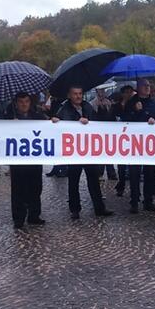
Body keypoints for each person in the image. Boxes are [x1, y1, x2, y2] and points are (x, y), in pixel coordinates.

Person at [52, 86, 114, 220]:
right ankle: (75, 209)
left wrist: (89, 120)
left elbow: (96, 123)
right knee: (73, 181)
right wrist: (57, 120)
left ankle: (99, 208)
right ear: (69, 95)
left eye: (80, 93)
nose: (78, 96)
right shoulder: (64, 108)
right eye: (75, 94)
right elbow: (58, 122)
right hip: (74, 151)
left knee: (94, 180)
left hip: (88, 150)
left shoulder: (87, 106)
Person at [2, 92, 49, 229]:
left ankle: (34, 215)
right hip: (17, 161)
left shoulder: (37, 116)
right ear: (16, 103)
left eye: (26, 101)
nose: (24, 104)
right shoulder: (9, 117)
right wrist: (10, 124)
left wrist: (54, 121)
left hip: (34, 159)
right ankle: (18, 218)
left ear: (30, 102)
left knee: (36, 188)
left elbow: (49, 127)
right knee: (18, 190)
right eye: (21, 102)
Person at [123, 79, 155, 213]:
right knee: (134, 174)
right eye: (145, 86)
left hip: (149, 144)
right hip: (134, 143)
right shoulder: (131, 103)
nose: (148, 88)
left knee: (150, 173)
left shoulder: (154, 103)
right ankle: (134, 201)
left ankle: (148, 201)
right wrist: (136, 111)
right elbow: (126, 120)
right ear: (139, 88)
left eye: (149, 86)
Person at [113, 85, 135, 197]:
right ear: (122, 94)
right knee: (121, 166)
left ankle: (133, 190)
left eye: (130, 92)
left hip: (132, 139)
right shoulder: (116, 106)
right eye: (126, 92)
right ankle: (121, 185)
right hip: (119, 139)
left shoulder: (135, 106)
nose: (128, 94)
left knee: (132, 166)